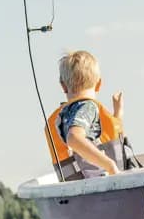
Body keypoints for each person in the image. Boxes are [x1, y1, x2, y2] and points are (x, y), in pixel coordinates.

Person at [47, 50, 130, 180]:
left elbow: (103, 139)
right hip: (102, 184)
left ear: (63, 86)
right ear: (99, 84)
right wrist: (110, 166)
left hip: (80, 189)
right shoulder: (87, 108)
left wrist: (118, 113)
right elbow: (73, 138)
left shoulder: (65, 115)